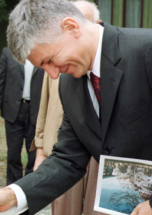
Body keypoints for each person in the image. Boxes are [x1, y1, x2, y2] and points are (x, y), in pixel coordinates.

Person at [0, 0, 152, 215]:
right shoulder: (69, 84)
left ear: (71, 27)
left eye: (50, 59)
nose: (52, 74)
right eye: (42, 67)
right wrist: (12, 195)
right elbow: (68, 158)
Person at [30, 1, 104, 214]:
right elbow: (44, 108)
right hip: (62, 152)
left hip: (98, 159)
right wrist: (41, 150)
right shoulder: (55, 65)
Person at [0, 47, 44, 185]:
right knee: (13, 153)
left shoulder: (44, 51)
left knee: (33, 154)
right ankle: (13, 188)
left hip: (36, 111)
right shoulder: (9, 52)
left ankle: (29, 187)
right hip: (13, 110)